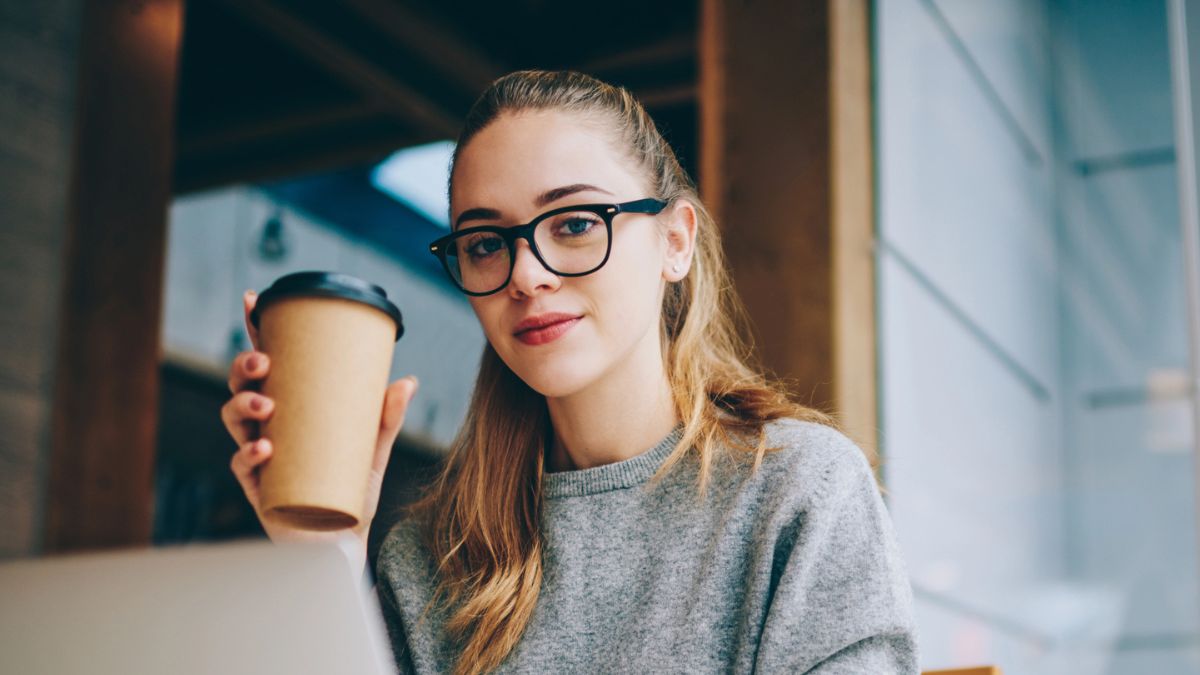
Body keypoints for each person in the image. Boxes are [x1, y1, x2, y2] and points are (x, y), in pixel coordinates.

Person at [222, 69, 918, 674]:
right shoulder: (429, 559)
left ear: (674, 241)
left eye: (575, 222)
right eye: (486, 242)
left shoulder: (799, 493)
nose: (526, 274)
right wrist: (324, 557)